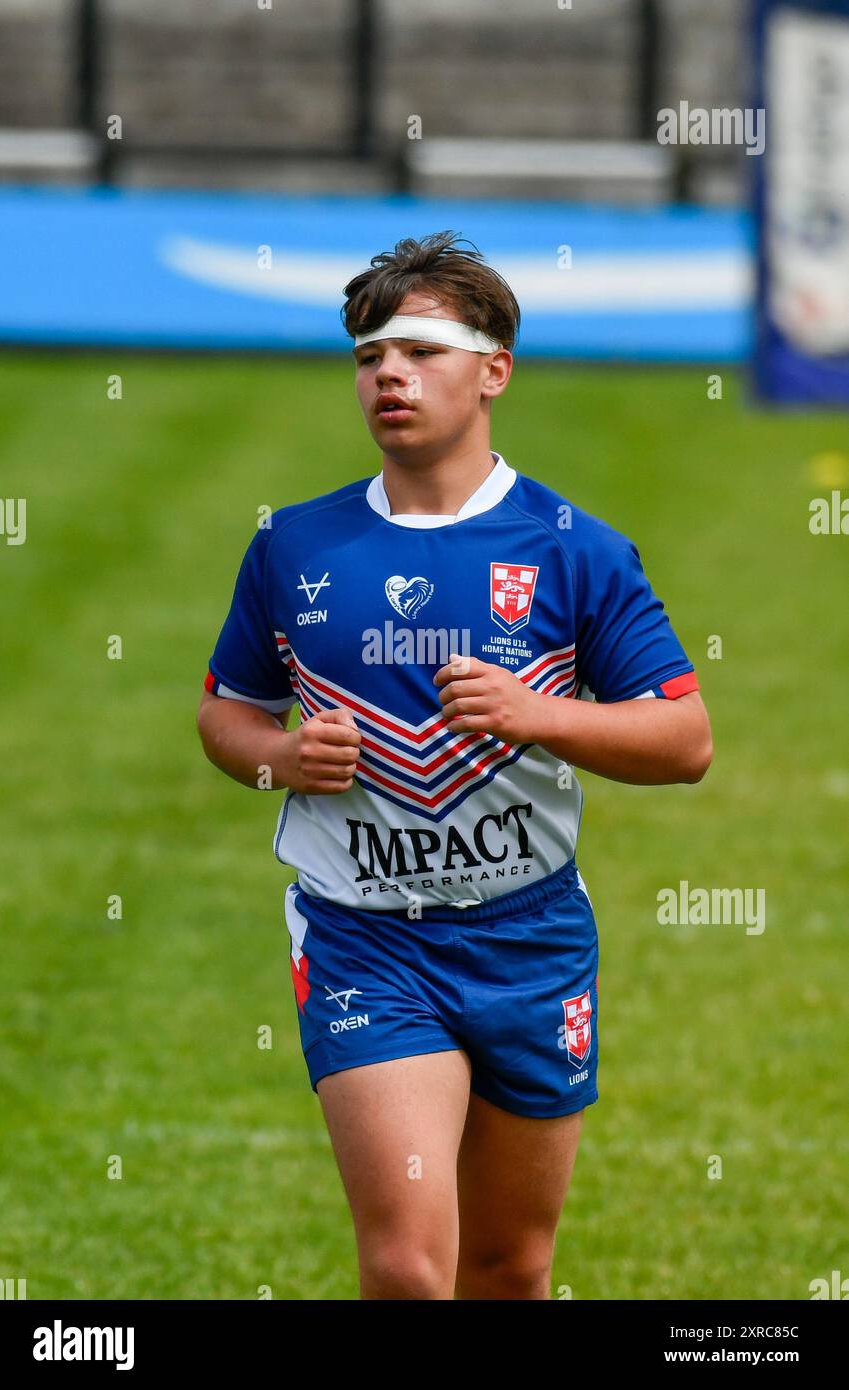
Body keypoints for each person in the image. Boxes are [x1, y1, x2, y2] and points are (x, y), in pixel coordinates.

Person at [196, 230, 713, 1300]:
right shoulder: (293, 546)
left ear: (493, 370)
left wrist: (539, 716)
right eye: (368, 352)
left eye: (421, 348)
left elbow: (683, 742)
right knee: (406, 1266)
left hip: (529, 938)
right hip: (364, 942)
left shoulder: (575, 547)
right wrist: (281, 756)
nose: (387, 371)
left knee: (507, 1266)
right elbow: (225, 714)